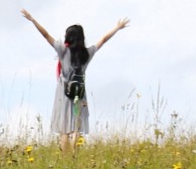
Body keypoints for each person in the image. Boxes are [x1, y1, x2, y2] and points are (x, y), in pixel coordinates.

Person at [21, 10, 129, 144]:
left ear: (68, 37)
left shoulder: (63, 50)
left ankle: (66, 160)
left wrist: (33, 20)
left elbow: (45, 35)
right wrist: (117, 28)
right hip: (79, 92)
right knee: (77, 125)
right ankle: (74, 155)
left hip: (63, 92)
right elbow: (103, 40)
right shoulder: (88, 53)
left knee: (64, 127)